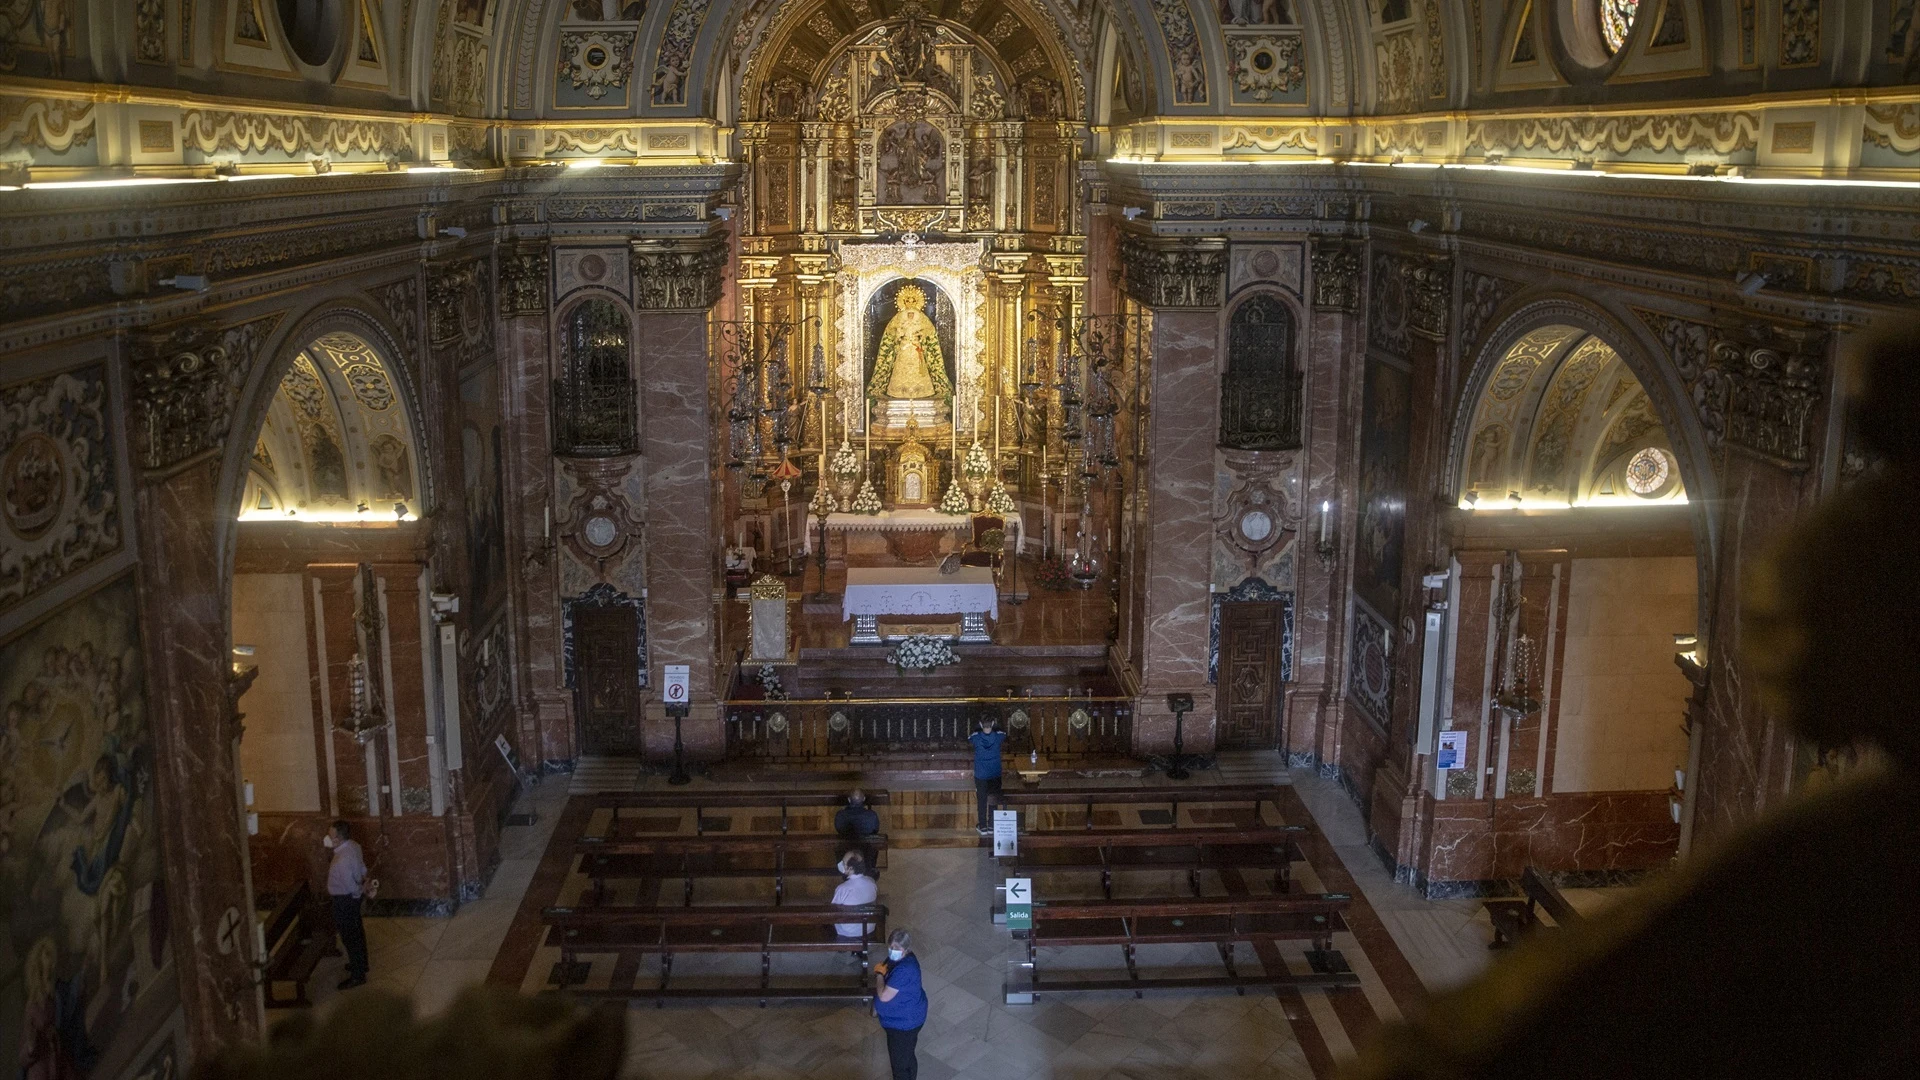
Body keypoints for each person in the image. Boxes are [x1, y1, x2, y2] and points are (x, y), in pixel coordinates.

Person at [873, 929, 927, 1080]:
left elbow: (883, 996)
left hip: (903, 1025)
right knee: (907, 1056)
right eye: (891, 947)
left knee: (900, 1067)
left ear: (906, 948)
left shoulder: (905, 969)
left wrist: (879, 975)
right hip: (907, 1018)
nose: (892, 951)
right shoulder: (902, 959)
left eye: (897, 948)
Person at [324, 819, 370, 989]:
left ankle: (358, 975)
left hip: (344, 900)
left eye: (331, 835)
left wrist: (358, 892)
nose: (328, 837)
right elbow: (362, 867)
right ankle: (361, 963)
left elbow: (350, 887)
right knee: (357, 931)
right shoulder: (354, 846)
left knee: (350, 937)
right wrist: (363, 883)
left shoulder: (340, 860)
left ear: (339, 838)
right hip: (353, 899)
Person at [968, 717, 1006, 835]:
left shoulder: (976, 737)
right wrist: (994, 727)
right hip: (994, 773)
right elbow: (1003, 733)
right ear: (993, 724)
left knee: (982, 799)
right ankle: (992, 824)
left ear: (980, 724)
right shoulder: (999, 736)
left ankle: (983, 825)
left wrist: (979, 728)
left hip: (981, 774)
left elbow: (969, 737)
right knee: (993, 798)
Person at [830, 852, 878, 940]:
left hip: (847, 931)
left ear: (850, 868)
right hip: (868, 928)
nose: (841, 864)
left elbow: (833, 911)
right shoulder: (872, 882)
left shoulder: (842, 889)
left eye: (844, 863)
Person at [834, 788, 882, 873]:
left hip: (846, 849)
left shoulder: (840, 815)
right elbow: (876, 830)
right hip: (866, 851)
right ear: (863, 799)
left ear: (849, 800)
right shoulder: (872, 815)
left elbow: (838, 829)